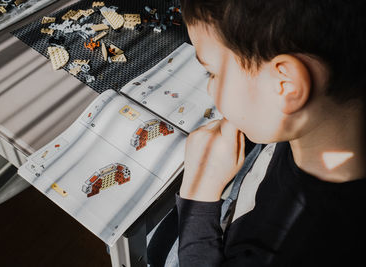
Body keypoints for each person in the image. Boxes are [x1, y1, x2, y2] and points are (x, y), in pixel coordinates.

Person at [148, 0, 366, 266]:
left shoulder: (294, 247)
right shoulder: (315, 126)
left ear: (286, 87)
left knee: (155, 247)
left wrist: (200, 193)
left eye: (213, 73)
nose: (209, 88)